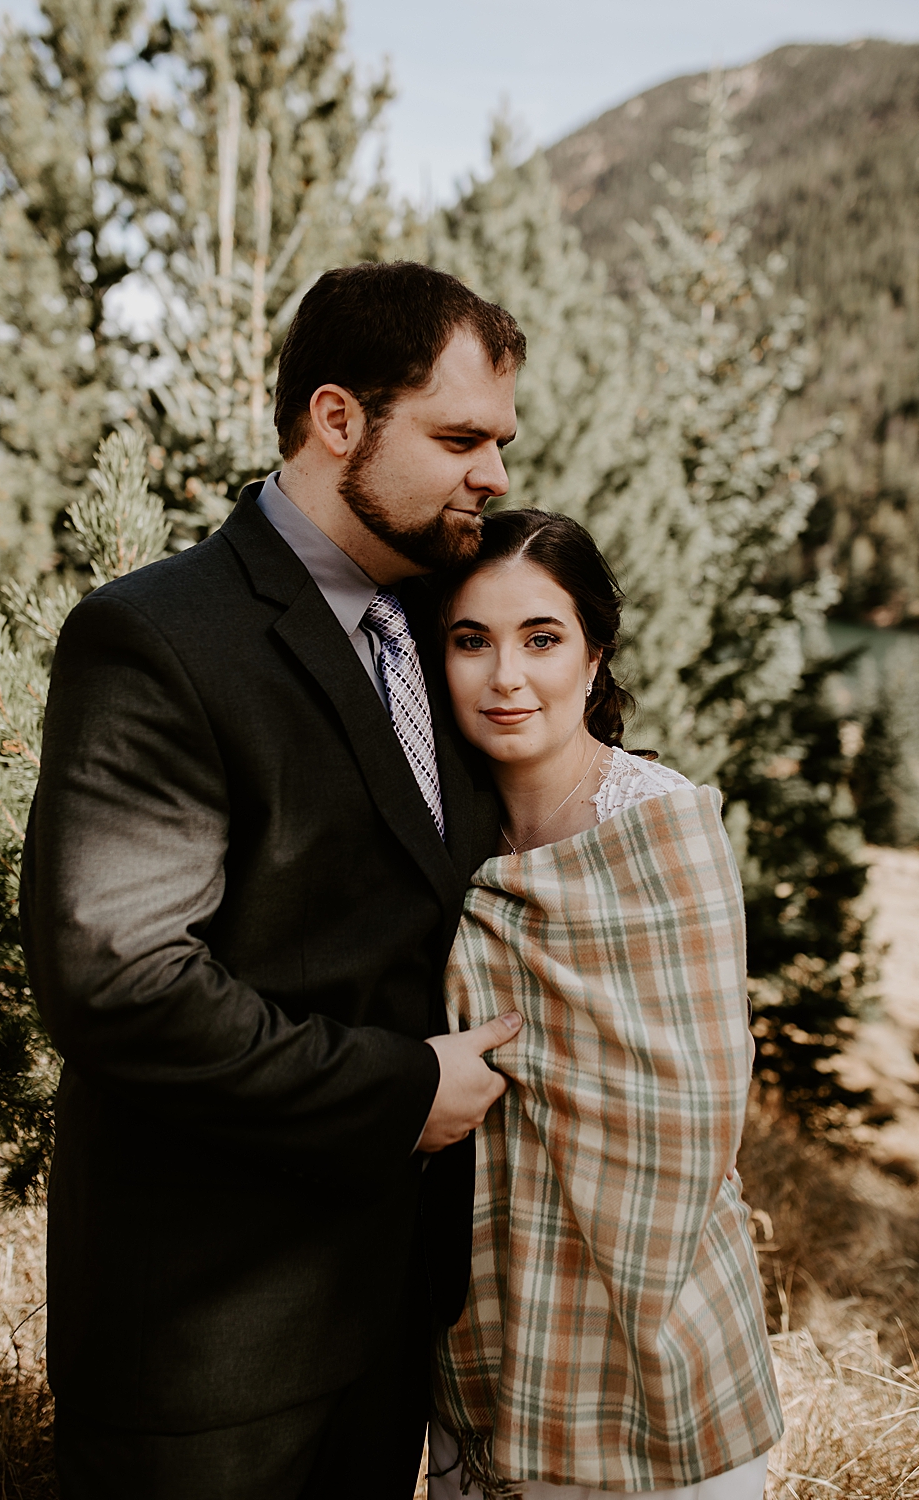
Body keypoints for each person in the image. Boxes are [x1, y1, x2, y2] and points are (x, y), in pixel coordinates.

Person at [21, 261, 527, 1499]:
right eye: (458, 437)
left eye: (501, 441)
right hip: (205, 1356)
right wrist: (398, 1088)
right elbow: (118, 978)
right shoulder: (156, 635)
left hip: (392, 1322)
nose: (494, 475)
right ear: (335, 420)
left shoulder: (441, 625)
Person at [426, 510, 782, 1499]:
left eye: (540, 638)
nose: (505, 677)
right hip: (477, 1339)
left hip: (652, 1341)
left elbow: (695, 1114)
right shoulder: (434, 840)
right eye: (470, 641)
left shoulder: (661, 828)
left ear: (593, 657)